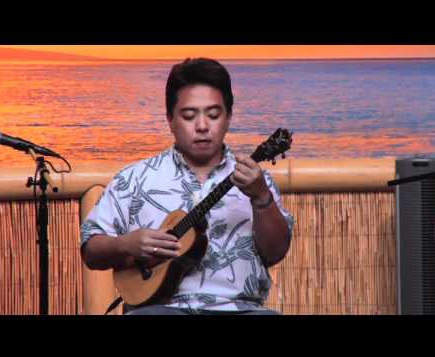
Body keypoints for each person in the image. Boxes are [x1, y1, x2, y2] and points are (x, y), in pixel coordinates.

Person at [80, 58, 294, 315]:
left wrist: (261, 197)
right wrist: (127, 244)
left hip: (241, 309)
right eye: (189, 115)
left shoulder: (257, 180)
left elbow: (276, 253)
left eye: (213, 114)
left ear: (228, 118)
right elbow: (91, 249)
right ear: (170, 119)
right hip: (159, 309)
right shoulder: (134, 178)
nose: (202, 126)